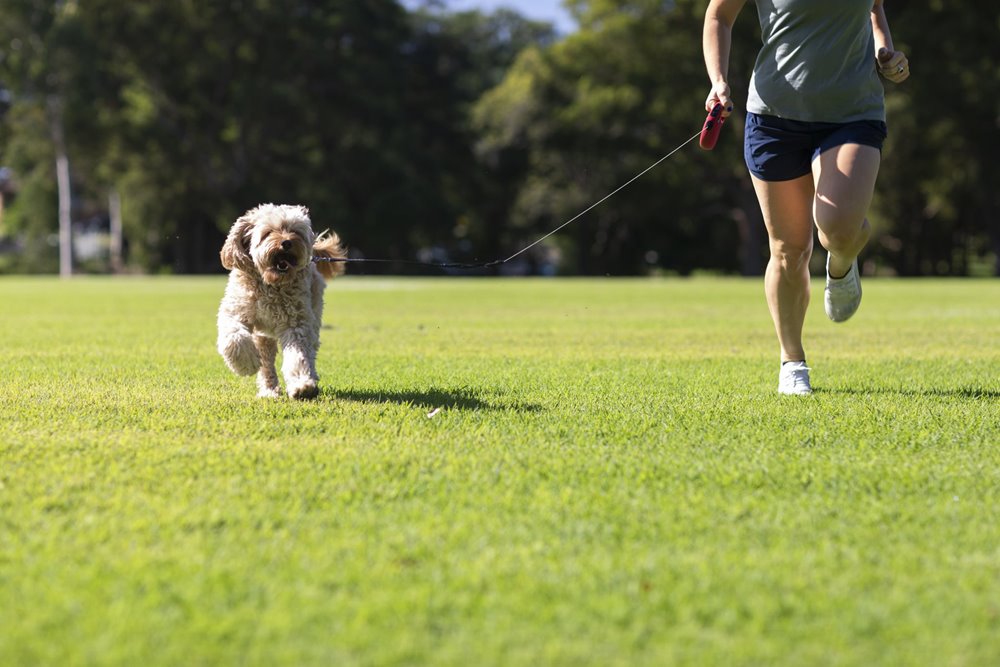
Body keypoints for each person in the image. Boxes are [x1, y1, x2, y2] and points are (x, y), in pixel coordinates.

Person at [703, 0, 909, 395]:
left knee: (839, 227)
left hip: (853, 112)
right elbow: (718, 16)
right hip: (774, 118)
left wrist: (886, 51)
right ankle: (792, 361)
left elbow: (874, 9)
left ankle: (842, 265)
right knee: (788, 249)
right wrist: (718, 80)